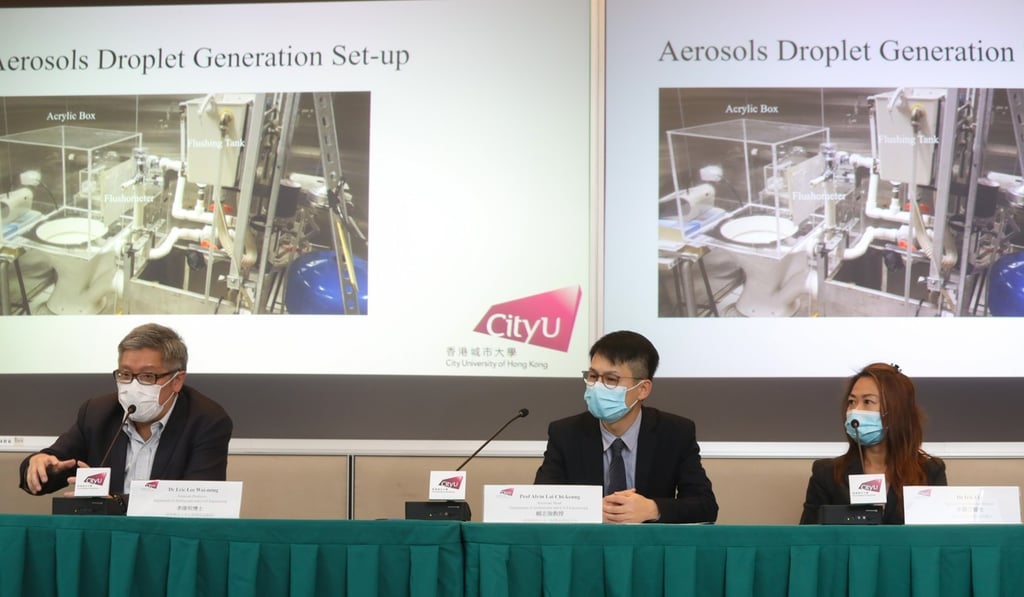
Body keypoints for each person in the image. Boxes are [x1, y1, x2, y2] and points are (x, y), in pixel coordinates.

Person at [19, 323, 233, 497]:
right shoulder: (97, 413)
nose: (133, 385)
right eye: (125, 374)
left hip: (168, 543)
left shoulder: (207, 421)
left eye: (147, 376)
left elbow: (200, 503)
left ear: (177, 381)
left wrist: (115, 505)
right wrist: (40, 464)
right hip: (104, 540)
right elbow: (52, 469)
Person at [535, 330, 718, 523]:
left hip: (648, 548)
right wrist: (590, 510)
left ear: (642, 389)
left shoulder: (675, 433)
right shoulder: (566, 433)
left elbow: (705, 506)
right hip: (587, 547)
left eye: (611, 380)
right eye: (593, 376)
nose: (597, 386)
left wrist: (653, 509)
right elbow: (542, 501)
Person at [800, 363, 946, 524]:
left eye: (868, 401)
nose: (855, 410)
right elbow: (808, 539)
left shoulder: (930, 472)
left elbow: (937, 539)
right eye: (851, 401)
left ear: (897, 411)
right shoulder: (826, 474)